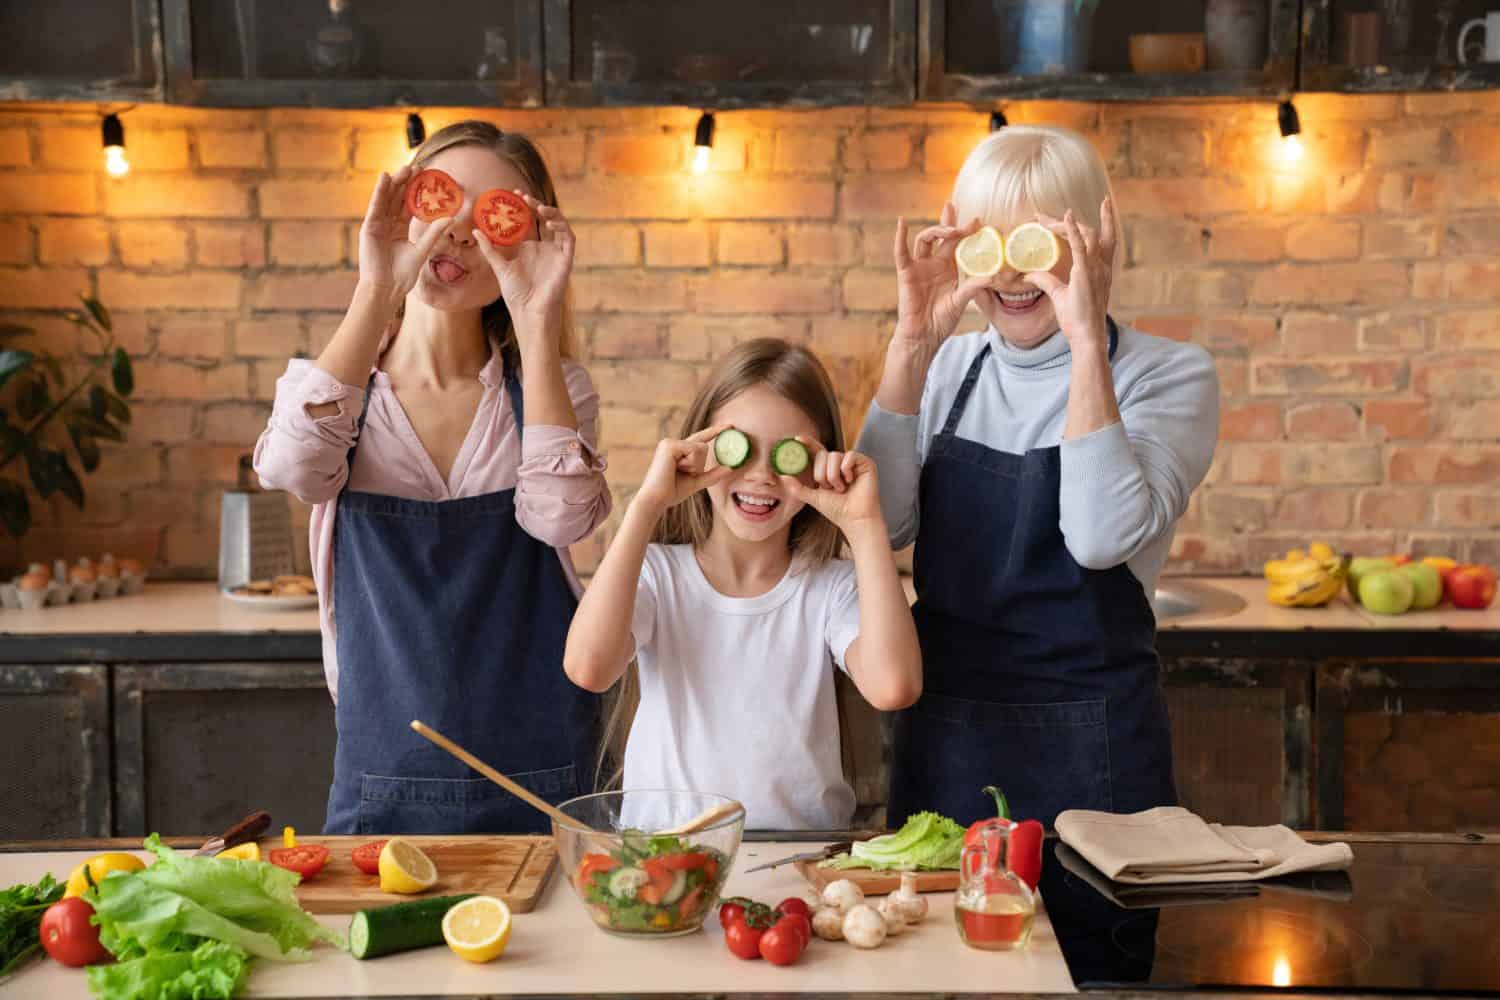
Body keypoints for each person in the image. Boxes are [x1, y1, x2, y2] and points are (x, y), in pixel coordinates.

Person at [857, 125, 1220, 828]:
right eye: (991, 244)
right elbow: (887, 526)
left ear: (1093, 243)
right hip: (949, 743)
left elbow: (1098, 538)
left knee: (1094, 940)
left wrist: (1088, 342)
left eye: (1039, 245)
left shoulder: (1171, 375)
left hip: (1100, 758)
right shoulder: (947, 369)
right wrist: (911, 348)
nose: (1013, 276)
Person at [254, 121, 611, 834]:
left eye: (492, 216)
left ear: (527, 238)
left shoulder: (550, 388)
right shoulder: (345, 390)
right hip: (380, 782)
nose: (458, 233)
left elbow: (563, 519)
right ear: (405, 208)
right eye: (439, 202)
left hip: (544, 786)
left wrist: (536, 319)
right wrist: (378, 284)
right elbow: (294, 467)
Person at [563, 339, 922, 830]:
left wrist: (863, 526)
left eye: (787, 455)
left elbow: (893, 686)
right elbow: (589, 668)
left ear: (819, 461)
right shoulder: (656, 574)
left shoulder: (829, 586)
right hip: (667, 853)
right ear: (700, 447)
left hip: (797, 859)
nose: (760, 476)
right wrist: (648, 505)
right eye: (741, 447)